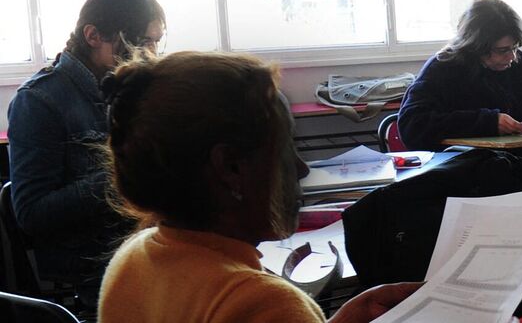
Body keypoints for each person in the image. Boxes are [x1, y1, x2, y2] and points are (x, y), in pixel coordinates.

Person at [97, 50, 421, 323]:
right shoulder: (263, 304)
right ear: (231, 167)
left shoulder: (131, 260)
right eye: (283, 151)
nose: (301, 168)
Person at [6, 0, 159, 301]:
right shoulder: (39, 101)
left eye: (156, 43)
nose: (150, 56)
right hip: (91, 272)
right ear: (93, 36)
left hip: (144, 248)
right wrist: (122, 173)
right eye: (141, 43)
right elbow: (32, 214)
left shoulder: (133, 87)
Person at [395, 0, 522, 242]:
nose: (512, 57)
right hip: (464, 177)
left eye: (515, 48)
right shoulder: (444, 69)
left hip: (520, 171)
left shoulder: (518, 63)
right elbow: (412, 123)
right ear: (476, 45)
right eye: (503, 50)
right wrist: (487, 121)